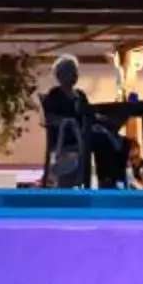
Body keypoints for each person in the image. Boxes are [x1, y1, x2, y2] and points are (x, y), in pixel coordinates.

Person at [40, 54, 129, 190]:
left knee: (123, 141)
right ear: (60, 75)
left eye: (75, 71)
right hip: (68, 136)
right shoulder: (55, 95)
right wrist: (70, 122)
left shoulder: (80, 94)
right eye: (71, 71)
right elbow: (50, 117)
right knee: (103, 140)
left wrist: (100, 119)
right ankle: (106, 181)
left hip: (84, 132)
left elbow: (89, 113)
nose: (75, 74)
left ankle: (113, 177)